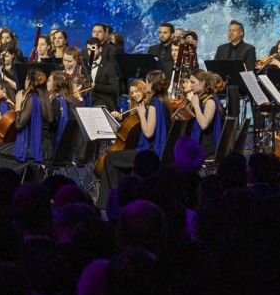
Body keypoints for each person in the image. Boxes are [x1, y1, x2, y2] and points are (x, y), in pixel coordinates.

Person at [96, 78, 169, 210]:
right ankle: (120, 198)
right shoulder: (152, 104)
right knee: (116, 160)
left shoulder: (151, 105)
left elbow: (148, 133)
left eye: (137, 91)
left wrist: (141, 114)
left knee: (110, 158)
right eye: (132, 93)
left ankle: (109, 201)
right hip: (147, 149)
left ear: (147, 88)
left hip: (147, 153)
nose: (135, 95)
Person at [0, 68, 54, 179]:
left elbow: (19, 124)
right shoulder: (44, 99)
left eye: (26, 79)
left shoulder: (32, 99)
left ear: (29, 82)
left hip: (34, 148)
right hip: (45, 147)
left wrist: (18, 104)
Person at [182, 71, 222, 158]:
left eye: (193, 82)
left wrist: (196, 106)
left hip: (206, 146)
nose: (191, 85)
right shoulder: (199, 98)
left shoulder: (210, 101)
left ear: (203, 83)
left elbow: (204, 125)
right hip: (198, 141)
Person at [86, 38, 121, 111]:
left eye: (93, 49)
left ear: (100, 49)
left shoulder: (109, 66)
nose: (91, 53)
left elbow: (114, 88)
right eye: (89, 50)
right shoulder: (85, 65)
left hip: (104, 104)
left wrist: (96, 86)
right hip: (87, 103)